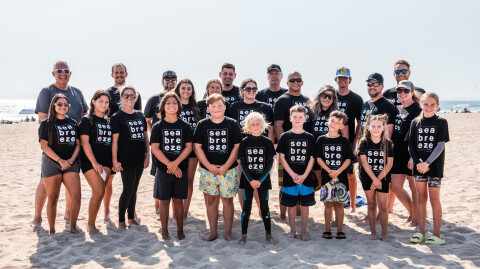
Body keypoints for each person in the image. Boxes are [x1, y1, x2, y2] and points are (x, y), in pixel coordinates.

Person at [32, 60, 88, 229]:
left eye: (66, 71)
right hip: (53, 147)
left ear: (70, 73)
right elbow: (42, 119)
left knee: (72, 182)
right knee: (44, 182)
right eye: (59, 71)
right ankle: (37, 217)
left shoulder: (77, 92)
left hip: (73, 145)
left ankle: (68, 215)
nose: (63, 74)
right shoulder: (46, 91)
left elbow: (84, 114)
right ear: (53, 74)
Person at [193, 93, 242, 241]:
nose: (217, 108)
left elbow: (237, 146)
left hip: (229, 169)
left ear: (225, 107)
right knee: (211, 200)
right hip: (208, 171)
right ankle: (213, 232)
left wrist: (226, 166)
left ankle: (228, 232)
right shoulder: (202, 125)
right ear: (208, 108)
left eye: (220, 105)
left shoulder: (232, 124)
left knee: (227, 200)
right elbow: (197, 147)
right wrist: (208, 166)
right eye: (213, 106)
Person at [383, 60, 425, 213]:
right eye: (398, 72)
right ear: (394, 74)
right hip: (396, 146)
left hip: (412, 150)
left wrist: (416, 154)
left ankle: (416, 215)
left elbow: (423, 126)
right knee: (394, 183)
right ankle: (389, 208)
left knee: (414, 186)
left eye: (404, 71)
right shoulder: (388, 93)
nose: (401, 74)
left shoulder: (419, 95)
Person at [407, 92, 449, 245]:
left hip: (434, 166)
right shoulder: (415, 123)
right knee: (421, 198)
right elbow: (411, 145)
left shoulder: (441, 122)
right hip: (419, 166)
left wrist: (428, 163)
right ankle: (421, 232)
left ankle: (436, 234)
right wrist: (418, 162)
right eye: (425, 104)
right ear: (420, 105)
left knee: (434, 199)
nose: (429, 107)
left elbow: (440, 145)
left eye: (432, 104)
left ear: (437, 106)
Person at [150, 92, 193, 240]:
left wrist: (176, 164)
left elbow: (188, 147)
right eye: (168, 103)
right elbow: (155, 148)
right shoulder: (158, 126)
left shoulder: (185, 126)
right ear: (163, 106)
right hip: (163, 169)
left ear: (179, 106)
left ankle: (180, 231)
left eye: (174, 103)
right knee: (164, 200)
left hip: (181, 168)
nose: (171, 105)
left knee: (178, 200)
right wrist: (169, 164)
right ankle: (165, 231)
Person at [38, 94, 82, 234]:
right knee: (53, 197)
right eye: (59, 104)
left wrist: (70, 160)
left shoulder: (73, 123)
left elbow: (78, 144)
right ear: (54, 106)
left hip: (71, 164)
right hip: (51, 164)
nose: (63, 107)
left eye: (65, 105)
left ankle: (73, 226)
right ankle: (52, 229)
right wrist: (60, 161)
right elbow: (44, 146)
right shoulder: (46, 123)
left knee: (76, 196)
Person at [104, 63, 142, 222]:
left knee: (132, 185)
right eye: (116, 72)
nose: (119, 75)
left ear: (126, 74)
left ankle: (131, 212)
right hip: (113, 140)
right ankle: (106, 210)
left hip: (132, 144)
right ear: (112, 75)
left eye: (122, 72)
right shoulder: (108, 93)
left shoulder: (133, 93)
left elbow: (138, 117)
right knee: (110, 179)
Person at [230, 78, 274, 210]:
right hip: (242, 150)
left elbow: (270, 130)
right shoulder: (234, 107)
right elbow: (232, 130)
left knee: (261, 182)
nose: (251, 91)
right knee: (243, 183)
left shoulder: (264, 107)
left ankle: (262, 210)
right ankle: (246, 211)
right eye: (248, 89)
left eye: (254, 89)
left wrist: (270, 149)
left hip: (262, 150)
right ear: (242, 90)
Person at [273, 71, 311, 220]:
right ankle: (283, 215)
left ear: (302, 82)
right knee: (284, 182)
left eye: (298, 80)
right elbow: (277, 125)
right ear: (287, 83)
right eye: (292, 80)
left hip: (304, 150)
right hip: (285, 150)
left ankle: (299, 214)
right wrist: (286, 148)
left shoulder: (308, 101)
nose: (295, 82)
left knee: (302, 181)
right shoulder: (282, 100)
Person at [111, 86, 150, 229]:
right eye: (126, 96)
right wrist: (115, 161)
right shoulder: (117, 117)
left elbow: (145, 136)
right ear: (121, 98)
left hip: (139, 156)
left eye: (132, 96)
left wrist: (148, 155)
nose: (129, 98)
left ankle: (131, 218)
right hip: (125, 158)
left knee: (135, 188)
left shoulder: (140, 116)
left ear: (136, 98)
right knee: (127, 188)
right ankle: (121, 220)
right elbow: (114, 141)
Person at [237, 112, 278, 245]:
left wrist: (260, 180)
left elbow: (270, 163)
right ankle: (243, 235)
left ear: (262, 125)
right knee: (246, 208)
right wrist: (251, 180)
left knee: (265, 207)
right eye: (252, 124)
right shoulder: (244, 142)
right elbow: (242, 163)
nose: (255, 126)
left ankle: (268, 234)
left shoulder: (267, 142)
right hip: (248, 180)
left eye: (258, 124)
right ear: (248, 126)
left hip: (263, 180)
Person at [276, 105, 316, 241]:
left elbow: (312, 158)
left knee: (305, 205)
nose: (297, 119)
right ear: (290, 118)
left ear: (305, 119)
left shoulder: (310, 137)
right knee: (291, 205)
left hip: (306, 176)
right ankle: (292, 230)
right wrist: (292, 174)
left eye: (300, 117)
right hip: (289, 176)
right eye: (295, 117)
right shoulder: (285, 136)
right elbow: (282, 158)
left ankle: (303, 231)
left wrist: (304, 175)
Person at [316, 111, 354, 239]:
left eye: (338, 123)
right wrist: (328, 170)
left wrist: (338, 171)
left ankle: (340, 230)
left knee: (339, 204)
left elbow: (348, 159)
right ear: (328, 121)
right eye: (332, 121)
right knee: (328, 204)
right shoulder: (321, 139)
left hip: (341, 178)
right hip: (326, 177)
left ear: (342, 126)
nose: (334, 124)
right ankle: (327, 229)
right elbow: (318, 158)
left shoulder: (343, 140)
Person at [79, 90, 113, 233]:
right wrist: (94, 162)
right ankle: (90, 224)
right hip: (90, 162)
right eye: (101, 101)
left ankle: (93, 220)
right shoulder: (87, 120)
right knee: (98, 191)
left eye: (106, 102)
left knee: (100, 192)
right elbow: (85, 143)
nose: (104, 104)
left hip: (106, 162)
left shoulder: (108, 121)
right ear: (93, 101)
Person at [144, 70, 178, 215]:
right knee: (158, 176)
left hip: (177, 144)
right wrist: (155, 134)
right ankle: (157, 206)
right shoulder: (154, 99)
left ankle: (177, 208)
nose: (170, 81)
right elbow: (146, 121)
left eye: (173, 79)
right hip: (159, 147)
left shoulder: (179, 98)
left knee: (177, 174)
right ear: (162, 81)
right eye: (167, 79)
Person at [389, 80, 422, 226]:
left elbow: (418, 135)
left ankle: (415, 219)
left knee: (414, 188)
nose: (402, 93)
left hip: (410, 154)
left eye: (405, 91)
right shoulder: (399, 108)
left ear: (412, 92)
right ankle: (412, 213)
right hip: (397, 152)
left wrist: (413, 157)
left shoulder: (417, 110)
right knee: (395, 186)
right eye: (399, 91)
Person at [357, 114, 394, 241]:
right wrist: (374, 179)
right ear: (368, 127)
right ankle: (373, 232)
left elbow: (389, 164)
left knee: (383, 206)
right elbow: (364, 162)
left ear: (384, 128)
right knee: (371, 205)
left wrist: (378, 179)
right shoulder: (363, 142)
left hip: (383, 177)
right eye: (373, 126)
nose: (376, 129)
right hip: (367, 177)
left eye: (379, 126)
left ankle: (384, 234)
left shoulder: (387, 143)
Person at [335, 67, 364, 213]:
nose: (342, 80)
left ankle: (352, 205)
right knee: (333, 173)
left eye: (345, 78)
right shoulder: (330, 96)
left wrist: (355, 141)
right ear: (336, 80)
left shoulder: (356, 99)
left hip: (349, 141)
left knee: (350, 174)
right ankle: (335, 203)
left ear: (350, 80)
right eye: (340, 78)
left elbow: (360, 122)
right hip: (332, 140)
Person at [174, 79, 202, 219]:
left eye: (189, 88)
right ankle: (176, 211)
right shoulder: (174, 106)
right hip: (177, 148)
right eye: (183, 88)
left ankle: (185, 211)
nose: (186, 91)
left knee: (189, 180)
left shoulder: (196, 107)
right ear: (178, 89)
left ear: (192, 91)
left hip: (193, 150)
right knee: (177, 179)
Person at [359, 73, 397, 140]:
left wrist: (383, 149)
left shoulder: (387, 106)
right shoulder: (365, 104)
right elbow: (361, 128)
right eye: (369, 84)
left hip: (377, 148)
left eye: (376, 84)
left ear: (382, 87)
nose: (372, 87)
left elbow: (389, 132)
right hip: (364, 147)